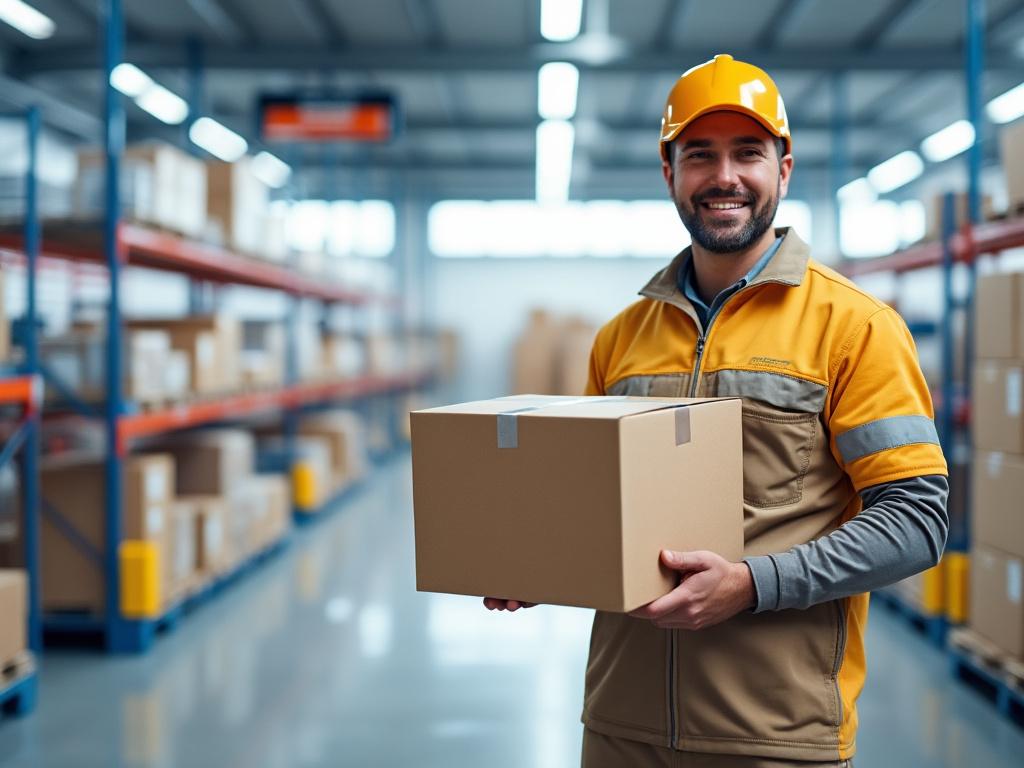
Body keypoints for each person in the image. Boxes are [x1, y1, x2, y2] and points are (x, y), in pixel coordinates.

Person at [484, 54, 949, 767]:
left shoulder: (853, 327)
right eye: (700, 155)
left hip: (773, 734)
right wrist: (538, 564)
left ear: (783, 169)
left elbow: (916, 520)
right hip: (620, 727)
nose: (724, 176)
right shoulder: (622, 339)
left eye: (748, 153)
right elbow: (588, 511)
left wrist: (753, 585)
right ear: (670, 173)